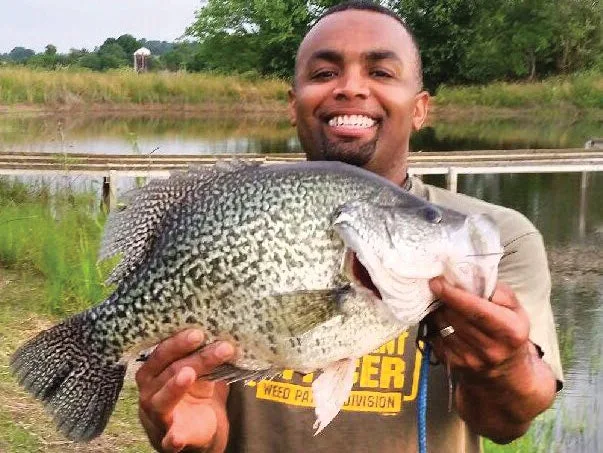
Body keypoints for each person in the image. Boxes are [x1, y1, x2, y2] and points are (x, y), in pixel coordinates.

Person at [135, 2, 563, 452]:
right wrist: (192, 434)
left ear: (420, 109)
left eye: (380, 72)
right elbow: (196, 410)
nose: (350, 88)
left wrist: (502, 368)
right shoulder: (233, 206)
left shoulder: (499, 235)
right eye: (323, 74)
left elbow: (505, 422)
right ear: (293, 104)